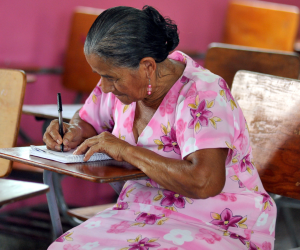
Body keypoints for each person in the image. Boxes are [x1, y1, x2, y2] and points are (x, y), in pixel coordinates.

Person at [45, 5, 276, 250]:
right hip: (141, 211)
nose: (104, 86)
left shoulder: (202, 94)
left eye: (111, 77)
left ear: (147, 66)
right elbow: (88, 120)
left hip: (217, 222)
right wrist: (72, 131)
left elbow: (205, 182)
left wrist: (126, 150)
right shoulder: (119, 88)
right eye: (99, 75)